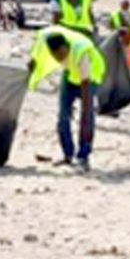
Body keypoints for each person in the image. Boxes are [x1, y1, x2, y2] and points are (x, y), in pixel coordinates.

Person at [28, 26, 105, 172]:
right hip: (70, 75)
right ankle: (67, 154)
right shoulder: (47, 39)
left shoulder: (82, 54)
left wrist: (86, 108)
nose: (59, 58)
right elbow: (40, 42)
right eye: (55, 56)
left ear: (66, 47)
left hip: (89, 77)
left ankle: (83, 156)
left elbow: (85, 83)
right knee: (63, 115)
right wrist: (33, 61)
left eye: (61, 55)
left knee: (87, 115)